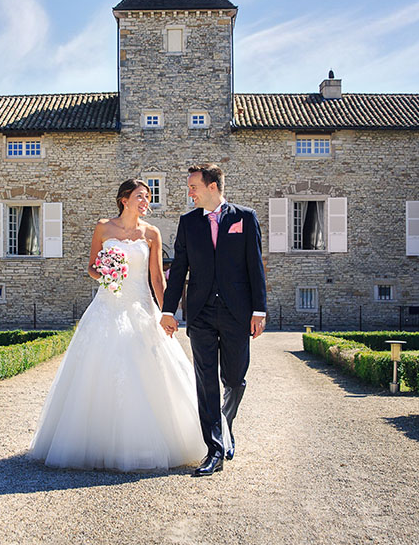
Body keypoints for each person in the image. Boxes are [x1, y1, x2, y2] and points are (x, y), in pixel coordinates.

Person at [29, 179, 206, 471]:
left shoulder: (151, 233)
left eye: (148, 197)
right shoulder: (103, 227)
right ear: (124, 199)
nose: (145, 201)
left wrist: (168, 312)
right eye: (140, 196)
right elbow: (90, 267)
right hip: (106, 307)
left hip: (140, 306)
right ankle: (94, 445)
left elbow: (157, 279)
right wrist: (104, 273)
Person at [160, 163, 266, 477]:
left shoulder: (244, 218)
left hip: (237, 311)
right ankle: (215, 449)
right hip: (201, 311)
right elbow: (178, 269)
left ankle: (226, 422)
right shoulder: (188, 222)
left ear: (212, 187)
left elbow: (255, 265)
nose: (189, 192)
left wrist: (258, 310)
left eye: (193, 186)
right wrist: (169, 310)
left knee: (234, 378)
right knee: (205, 382)